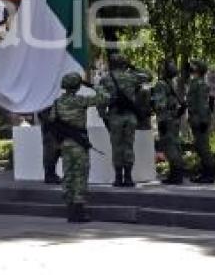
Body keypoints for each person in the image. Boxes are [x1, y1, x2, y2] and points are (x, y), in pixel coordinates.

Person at [48, 73, 107, 222]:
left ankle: (70, 209)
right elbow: (104, 97)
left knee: (68, 175)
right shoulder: (80, 100)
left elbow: (52, 121)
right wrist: (94, 86)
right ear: (77, 86)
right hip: (79, 144)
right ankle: (78, 211)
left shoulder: (56, 103)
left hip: (65, 144)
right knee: (80, 175)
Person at [99, 54, 149, 187]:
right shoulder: (132, 77)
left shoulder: (106, 79)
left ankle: (118, 178)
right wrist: (133, 67)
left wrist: (104, 116)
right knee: (128, 146)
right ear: (124, 64)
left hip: (115, 116)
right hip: (130, 116)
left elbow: (101, 101)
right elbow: (148, 76)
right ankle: (128, 177)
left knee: (116, 147)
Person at [151, 60, 184, 184]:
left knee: (169, 146)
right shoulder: (172, 83)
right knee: (175, 145)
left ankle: (175, 175)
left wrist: (161, 119)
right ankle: (177, 173)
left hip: (166, 119)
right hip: (174, 118)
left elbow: (160, 104)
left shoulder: (161, 84)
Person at [187, 59, 215, 184]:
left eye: (193, 66)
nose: (190, 67)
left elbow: (203, 104)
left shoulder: (199, 84)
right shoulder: (196, 82)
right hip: (196, 119)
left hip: (200, 120)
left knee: (203, 147)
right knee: (199, 146)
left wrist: (204, 120)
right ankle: (204, 172)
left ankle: (209, 174)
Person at [37, 107, 62, 184]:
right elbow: (45, 117)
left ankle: (51, 175)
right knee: (50, 153)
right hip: (50, 130)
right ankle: (49, 175)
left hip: (56, 129)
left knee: (56, 152)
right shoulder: (46, 102)